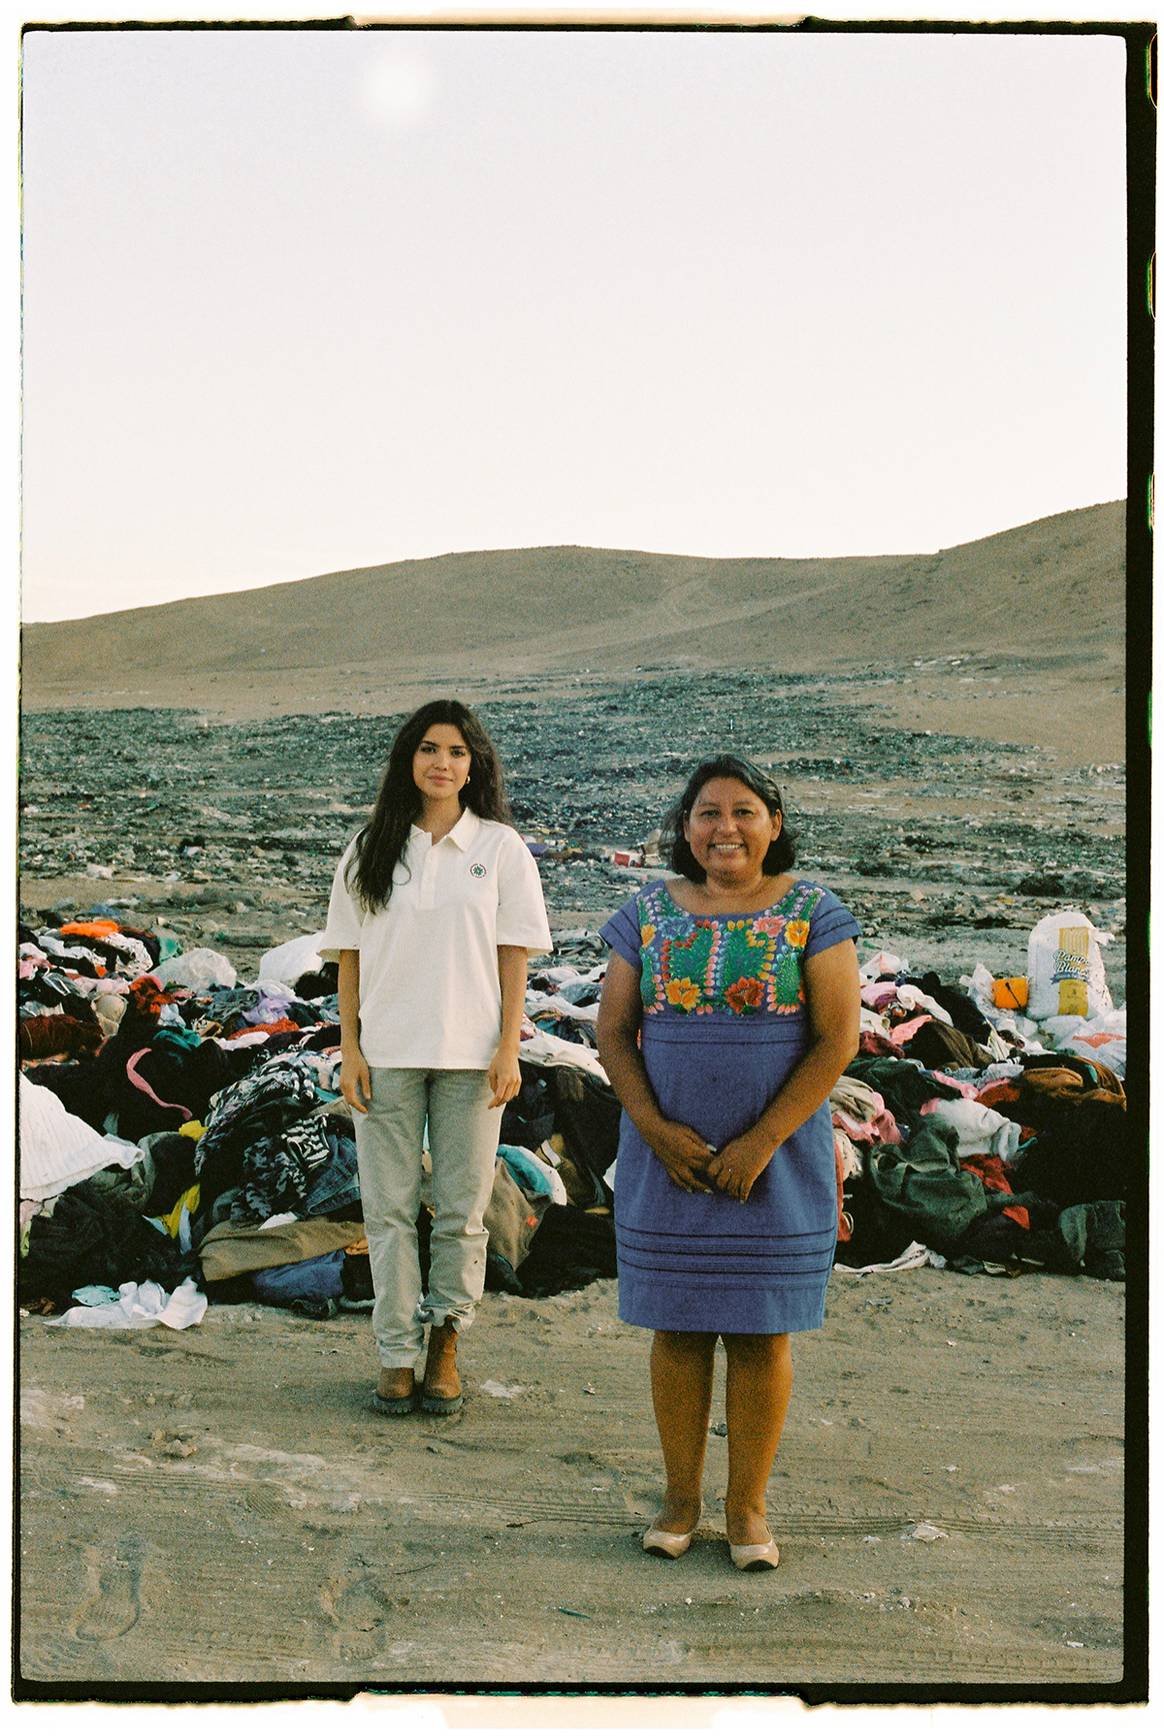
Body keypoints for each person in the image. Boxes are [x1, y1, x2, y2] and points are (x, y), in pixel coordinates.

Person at [595, 754, 860, 1569]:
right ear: (686, 829)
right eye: (707, 812)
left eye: (744, 811)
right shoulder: (644, 911)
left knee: (760, 1332)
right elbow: (612, 1031)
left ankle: (747, 1511)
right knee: (676, 1326)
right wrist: (654, 1129)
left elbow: (836, 1038)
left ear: (774, 824)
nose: (726, 828)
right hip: (668, 1156)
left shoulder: (816, 911)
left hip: (775, 1157)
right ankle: (680, 1501)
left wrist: (761, 1142)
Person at [320, 699, 551, 1416]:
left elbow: (514, 956)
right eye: (428, 749)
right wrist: (350, 1047)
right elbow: (348, 957)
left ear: (474, 763)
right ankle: (394, 1351)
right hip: (386, 1053)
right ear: (408, 761)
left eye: (456, 750)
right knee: (386, 1211)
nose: (441, 763)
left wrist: (509, 1045)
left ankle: (446, 1339)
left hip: (472, 1056)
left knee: (461, 1209)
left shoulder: (500, 850)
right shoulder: (371, 847)